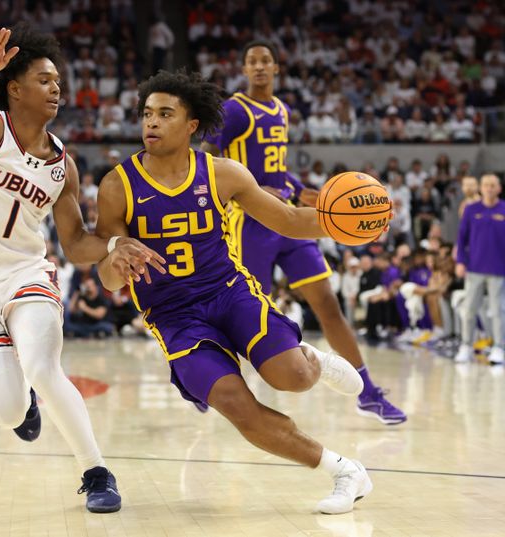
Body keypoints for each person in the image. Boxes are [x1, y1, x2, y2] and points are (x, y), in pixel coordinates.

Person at [96, 69, 372, 515]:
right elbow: (108, 280)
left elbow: (286, 219)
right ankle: (345, 471)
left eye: (165, 114)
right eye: (147, 114)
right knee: (235, 405)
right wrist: (115, 261)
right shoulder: (117, 185)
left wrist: (345, 227)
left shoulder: (223, 173)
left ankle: (314, 359)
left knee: (294, 378)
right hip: (174, 315)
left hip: (229, 292)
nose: (152, 122)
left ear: (191, 125)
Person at [0, 25, 164, 514]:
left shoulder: (63, 165)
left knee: (44, 367)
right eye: (44, 80)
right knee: (7, 412)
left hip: (27, 274)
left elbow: (76, 243)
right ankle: (25, 406)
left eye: (58, 81)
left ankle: (97, 472)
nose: (56, 88)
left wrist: (113, 244)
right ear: (15, 88)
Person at [201, 40, 406, 425]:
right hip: (250, 221)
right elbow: (207, 158)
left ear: (277, 68)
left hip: (290, 219)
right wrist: (253, 190)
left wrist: (299, 188)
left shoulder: (281, 110)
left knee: (327, 303)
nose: (259, 67)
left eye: (265, 61)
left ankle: (368, 392)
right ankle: (206, 378)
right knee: (243, 313)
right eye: (251, 61)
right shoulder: (234, 110)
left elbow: (276, 167)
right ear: (244, 70)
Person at [454, 174, 505, 365]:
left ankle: (499, 347)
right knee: (469, 309)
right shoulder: (471, 210)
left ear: (499, 188)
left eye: (493, 185)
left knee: (498, 310)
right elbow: (462, 238)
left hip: (499, 269)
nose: (489, 189)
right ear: (480, 188)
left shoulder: (504, 209)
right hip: (474, 267)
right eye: (486, 185)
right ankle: (466, 346)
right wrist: (460, 261)